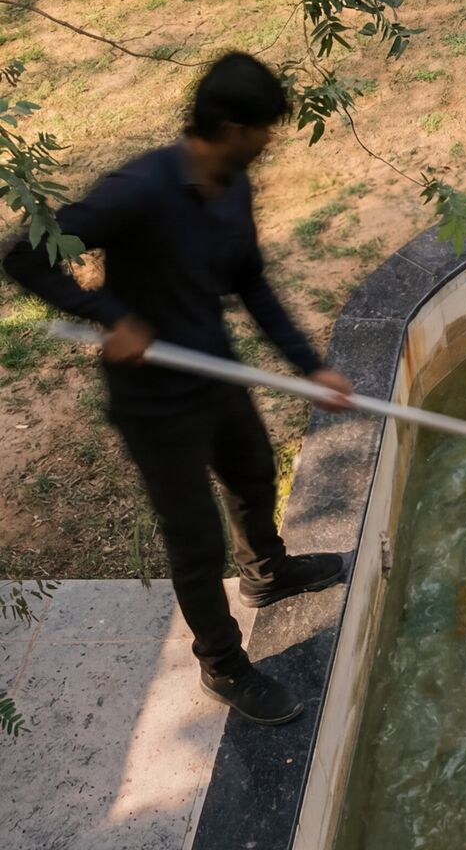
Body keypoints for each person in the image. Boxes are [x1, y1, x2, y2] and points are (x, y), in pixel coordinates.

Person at [3, 52, 356, 726]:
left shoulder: (233, 187)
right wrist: (111, 316)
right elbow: (24, 255)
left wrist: (309, 365)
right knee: (194, 540)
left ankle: (267, 574)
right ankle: (223, 668)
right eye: (263, 132)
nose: (269, 144)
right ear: (229, 127)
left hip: (214, 372)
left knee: (253, 474)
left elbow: (250, 280)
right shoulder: (137, 190)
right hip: (154, 402)